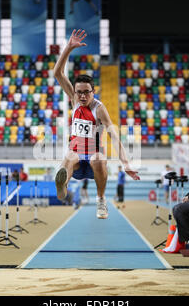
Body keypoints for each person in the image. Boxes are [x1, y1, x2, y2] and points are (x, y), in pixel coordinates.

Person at [53, 29, 140, 219]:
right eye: (79, 92)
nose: (82, 96)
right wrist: (68, 48)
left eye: (86, 92)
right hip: (75, 153)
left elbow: (114, 135)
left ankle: (101, 200)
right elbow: (58, 73)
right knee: (69, 158)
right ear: (74, 93)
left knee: (99, 158)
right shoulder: (74, 100)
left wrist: (126, 163)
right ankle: (63, 184)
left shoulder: (99, 108)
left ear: (93, 91)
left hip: (93, 153)